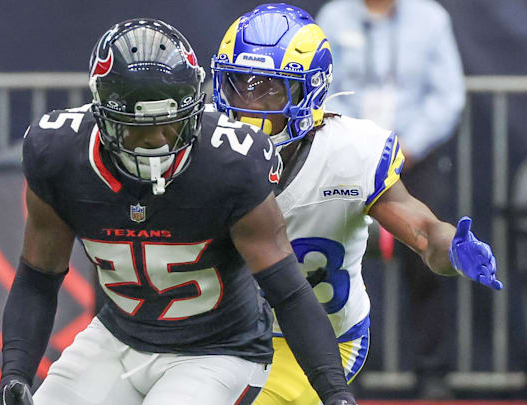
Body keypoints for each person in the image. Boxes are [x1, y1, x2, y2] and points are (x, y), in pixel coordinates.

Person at [0, 18, 356, 405]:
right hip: (117, 338)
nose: (156, 141)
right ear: (103, 117)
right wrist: (15, 373)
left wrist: (334, 393)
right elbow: (38, 277)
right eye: (137, 128)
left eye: (170, 124)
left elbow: (289, 293)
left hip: (218, 351)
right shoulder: (59, 155)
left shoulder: (230, 165)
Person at [210, 4, 501, 405]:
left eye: (270, 88)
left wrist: (449, 248)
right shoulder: (205, 144)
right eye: (239, 84)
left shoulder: (350, 153)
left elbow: (423, 231)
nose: (249, 103)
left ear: (308, 89)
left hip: (314, 343)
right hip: (219, 334)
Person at [315, 0, 466, 397]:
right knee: (340, 265)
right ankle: (345, 372)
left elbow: (447, 95)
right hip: (349, 160)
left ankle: (433, 374)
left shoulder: (431, 18)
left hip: (417, 160)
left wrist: (403, 147)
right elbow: (323, 88)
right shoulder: (334, 16)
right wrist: (365, 143)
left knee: (431, 262)